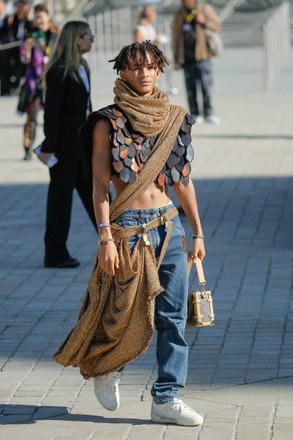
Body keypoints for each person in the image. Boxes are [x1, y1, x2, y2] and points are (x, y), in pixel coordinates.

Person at [53, 41, 206, 427]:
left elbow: (183, 181)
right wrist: (105, 237)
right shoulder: (107, 121)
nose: (144, 73)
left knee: (171, 317)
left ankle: (167, 397)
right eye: (135, 67)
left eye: (151, 66)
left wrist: (198, 232)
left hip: (169, 228)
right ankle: (107, 367)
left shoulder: (174, 118)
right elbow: (100, 186)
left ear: (160, 70)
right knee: (120, 311)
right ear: (121, 71)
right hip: (128, 232)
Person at [36, 21, 96, 269]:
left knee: (96, 194)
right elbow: (52, 112)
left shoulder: (81, 66)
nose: (91, 39)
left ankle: (117, 240)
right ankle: (55, 252)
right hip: (64, 145)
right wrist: (49, 146)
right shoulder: (60, 70)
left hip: (82, 143)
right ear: (76, 40)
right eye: (88, 36)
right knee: (61, 201)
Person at [17, 3, 58, 160]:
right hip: (34, 83)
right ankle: (28, 148)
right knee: (31, 117)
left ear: (48, 17)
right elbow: (23, 60)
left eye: (42, 16)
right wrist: (26, 50)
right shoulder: (29, 37)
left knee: (53, 116)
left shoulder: (56, 35)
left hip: (52, 83)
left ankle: (52, 146)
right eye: (37, 17)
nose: (39, 20)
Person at [172, 0, 221, 124]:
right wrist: (176, 55)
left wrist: (204, 21)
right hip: (187, 58)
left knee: (205, 86)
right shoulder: (179, 13)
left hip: (202, 56)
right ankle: (195, 112)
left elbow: (217, 24)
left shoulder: (204, 9)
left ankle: (209, 113)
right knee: (190, 87)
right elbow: (175, 35)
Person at [4, 0, 32, 93]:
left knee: (21, 66)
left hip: (25, 46)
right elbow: (9, 31)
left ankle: (18, 84)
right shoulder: (13, 19)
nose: (20, 9)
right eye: (19, 6)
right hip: (14, 46)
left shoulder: (29, 19)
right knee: (10, 64)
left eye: (22, 6)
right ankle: (10, 85)